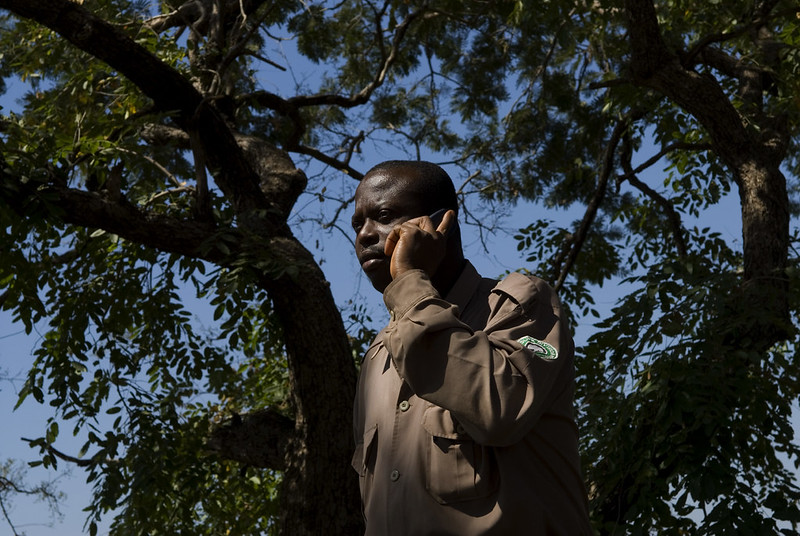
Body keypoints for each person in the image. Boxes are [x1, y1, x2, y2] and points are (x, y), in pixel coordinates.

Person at [350, 160, 593, 535]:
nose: (365, 234)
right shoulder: (377, 357)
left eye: (383, 216)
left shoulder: (520, 304)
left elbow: (500, 409)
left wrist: (411, 282)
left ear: (441, 225)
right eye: (358, 223)